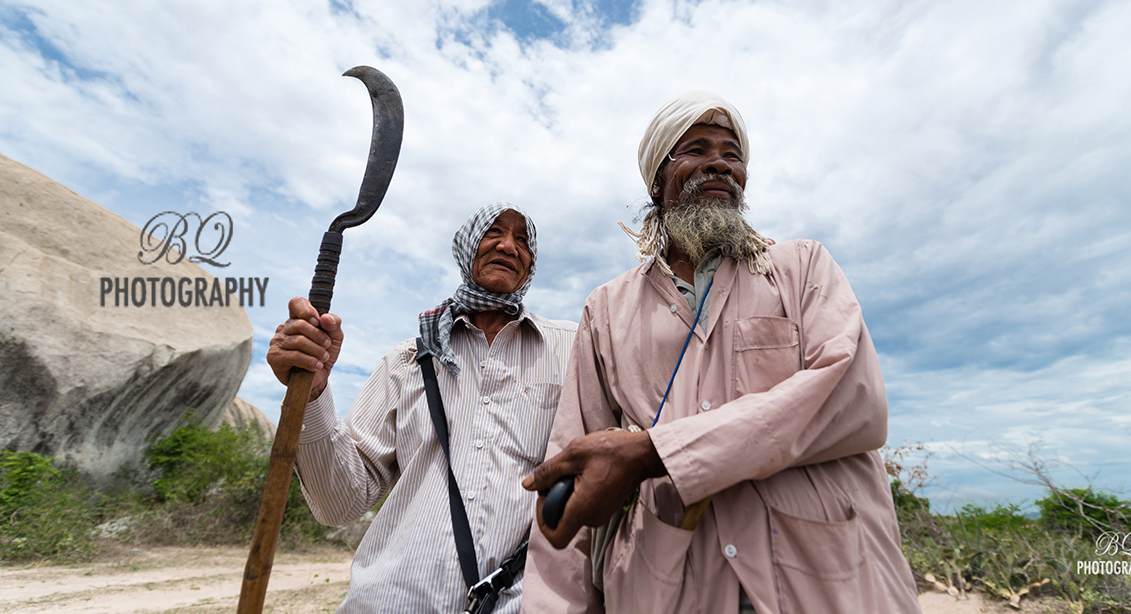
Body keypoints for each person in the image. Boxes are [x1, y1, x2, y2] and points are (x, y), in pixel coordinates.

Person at [521, 93, 921, 613]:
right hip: (663, 585)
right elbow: (574, 468)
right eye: (695, 149)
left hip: (823, 579)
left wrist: (653, 452)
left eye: (732, 155)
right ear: (656, 182)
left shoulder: (801, 267)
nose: (719, 163)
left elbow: (851, 399)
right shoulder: (606, 308)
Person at [269, 203, 575, 613]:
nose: (508, 245)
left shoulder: (571, 349)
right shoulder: (407, 361)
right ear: (466, 248)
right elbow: (338, 503)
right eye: (493, 232)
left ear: (531, 264)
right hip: (391, 601)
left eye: (523, 240)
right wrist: (312, 391)